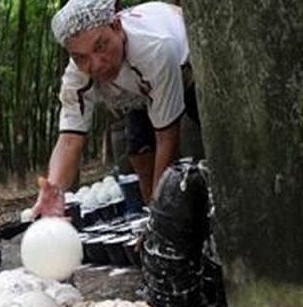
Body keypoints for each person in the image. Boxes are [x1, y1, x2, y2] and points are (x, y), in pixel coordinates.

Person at [33, 0, 202, 217]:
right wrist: (54, 190)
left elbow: (167, 138)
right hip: (136, 93)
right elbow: (69, 140)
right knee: (140, 155)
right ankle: (150, 212)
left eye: (100, 46)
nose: (96, 64)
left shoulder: (155, 47)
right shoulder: (77, 75)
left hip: (183, 69)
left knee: (193, 154)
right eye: (80, 57)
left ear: (117, 27)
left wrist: (160, 216)